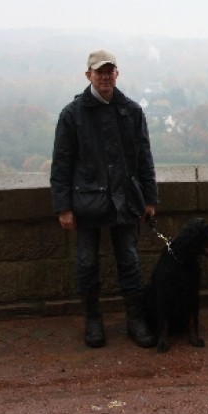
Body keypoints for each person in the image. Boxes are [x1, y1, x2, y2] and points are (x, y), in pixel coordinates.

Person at [50, 49, 158, 349]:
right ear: (89, 75)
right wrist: (63, 207)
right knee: (87, 264)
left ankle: (135, 320)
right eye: (100, 72)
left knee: (130, 262)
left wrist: (150, 199)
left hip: (125, 201)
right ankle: (93, 320)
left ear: (117, 74)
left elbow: (144, 158)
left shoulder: (132, 111)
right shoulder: (72, 114)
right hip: (86, 203)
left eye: (110, 71)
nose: (105, 76)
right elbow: (61, 164)